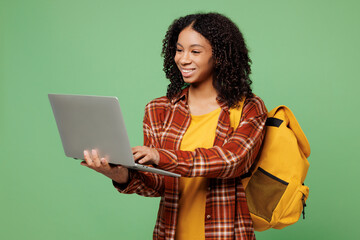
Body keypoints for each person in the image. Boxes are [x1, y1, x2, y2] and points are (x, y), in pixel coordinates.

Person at [81, 12, 267, 240]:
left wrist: (161, 156)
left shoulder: (249, 107)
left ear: (219, 57)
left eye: (195, 51)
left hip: (227, 234)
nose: (183, 59)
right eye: (179, 50)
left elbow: (232, 161)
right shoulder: (158, 109)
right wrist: (121, 175)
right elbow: (159, 184)